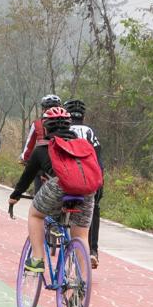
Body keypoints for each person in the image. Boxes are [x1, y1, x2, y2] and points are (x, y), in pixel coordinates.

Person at [8, 106, 99, 274]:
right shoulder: (83, 145)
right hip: (87, 190)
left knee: (35, 215)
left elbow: (27, 177)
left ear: (47, 126)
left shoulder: (43, 148)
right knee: (80, 236)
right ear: (68, 126)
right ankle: (84, 283)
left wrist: (15, 196)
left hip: (60, 186)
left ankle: (37, 259)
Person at [65, 99, 103, 268]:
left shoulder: (62, 130)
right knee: (94, 209)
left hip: (68, 181)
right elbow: (99, 160)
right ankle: (93, 251)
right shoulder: (89, 132)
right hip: (89, 181)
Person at [20, 94, 63, 164]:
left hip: (43, 158)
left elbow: (30, 144)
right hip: (62, 159)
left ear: (44, 109)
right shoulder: (66, 122)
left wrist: (25, 157)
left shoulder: (37, 123)